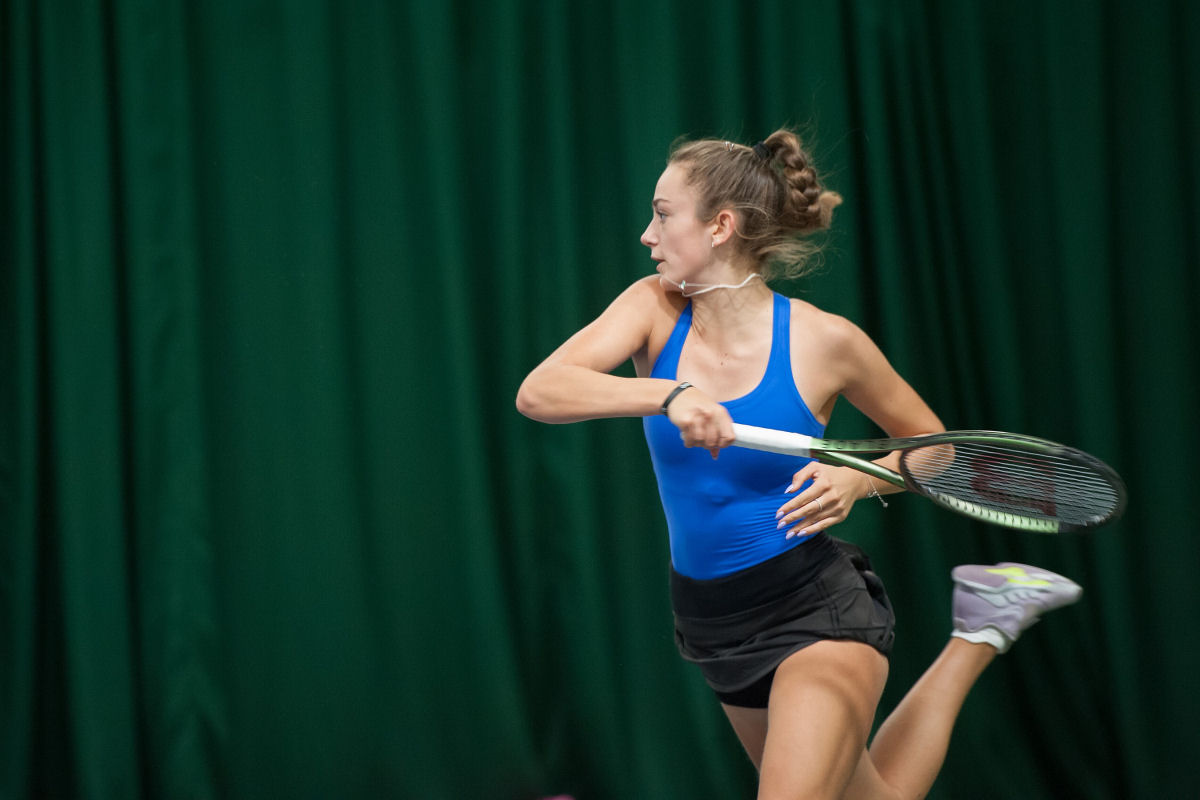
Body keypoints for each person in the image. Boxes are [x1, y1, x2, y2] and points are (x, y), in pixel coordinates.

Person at [515, 130, 1082, 799]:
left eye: (663, 214)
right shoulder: (652, 307)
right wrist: (670, 394)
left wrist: (858, 476)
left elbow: (938, 447)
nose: (648, 234)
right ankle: (982, 627)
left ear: (720, 226)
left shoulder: (827, 341)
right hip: (711, 620)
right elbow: (541, 391)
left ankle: (981, 624)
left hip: (814, 609)